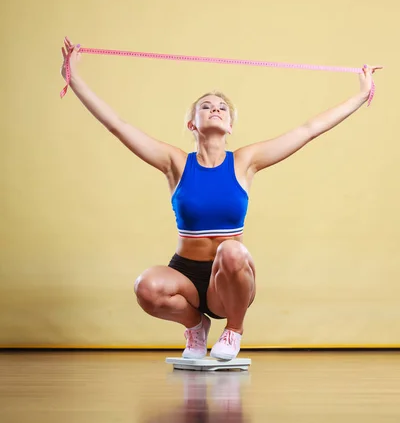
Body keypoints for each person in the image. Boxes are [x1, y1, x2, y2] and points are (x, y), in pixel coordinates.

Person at [61, 37, 381, 360]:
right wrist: (75, 81)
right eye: (206, 106)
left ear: (229, 125)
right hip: (185, 275)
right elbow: (118, 126)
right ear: (192, 123)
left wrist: (360, 95)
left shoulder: (244, 162)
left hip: (229, 279)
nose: (215, 108)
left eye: (222, 107)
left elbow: (309, 129)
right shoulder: (176, 163)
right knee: (145, 287)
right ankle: (195, 326)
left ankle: (234, 329)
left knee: (231, 251)